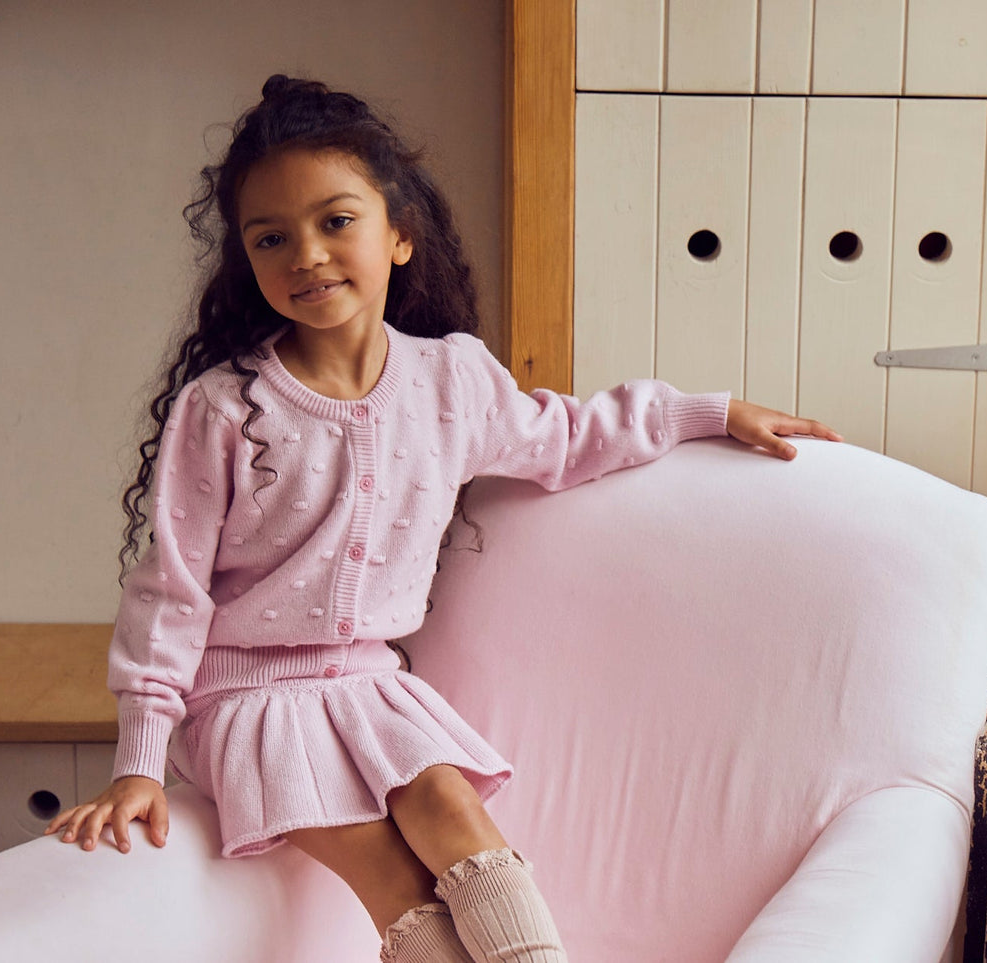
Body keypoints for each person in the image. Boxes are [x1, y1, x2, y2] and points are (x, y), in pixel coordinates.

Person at [46, 75, 840, 963]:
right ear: (248, 260)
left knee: (459, 817)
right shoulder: (226, 406)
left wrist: (707, 412)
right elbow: (171, 590)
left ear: (399, 234)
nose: (306, 254)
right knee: (395, 877)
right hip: (245, 698)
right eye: (271, 238)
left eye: (335, 221)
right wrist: (139, 761)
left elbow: (566, 435)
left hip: (371, 685)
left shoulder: (452, 379)